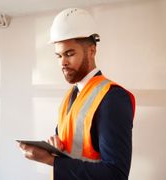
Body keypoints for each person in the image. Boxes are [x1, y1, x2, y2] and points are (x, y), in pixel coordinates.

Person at [19, 8, 135, 180]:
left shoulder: (113, 98)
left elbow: (116, 174)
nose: (63, 63)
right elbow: (76, 147)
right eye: (58, 56)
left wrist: (50, 160)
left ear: (92, 51)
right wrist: (56, 146)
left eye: (69, 54)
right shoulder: (70, 97)